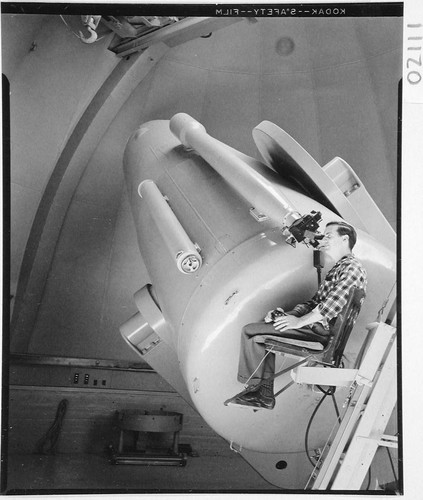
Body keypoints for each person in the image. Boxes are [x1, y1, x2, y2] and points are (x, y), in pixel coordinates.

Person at [234, 221, 367, 410]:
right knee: (260, 331)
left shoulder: (352, 268)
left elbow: (329, 308)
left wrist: (297, 322)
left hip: (320, 334)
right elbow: (313, 303)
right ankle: (261, 394)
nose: (325, 239)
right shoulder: (340, 268)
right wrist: (285, 315)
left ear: (345, 239)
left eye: (329, 235)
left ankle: (258, 392)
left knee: (251, 332)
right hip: (315, 328)